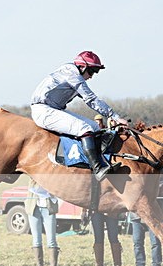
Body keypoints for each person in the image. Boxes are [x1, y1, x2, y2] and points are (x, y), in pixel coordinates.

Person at [30, 51, 129, 181]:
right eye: (92, 71)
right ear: (82, 67)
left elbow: (91, 100)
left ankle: (102, 161)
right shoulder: (73, 75)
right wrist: (115, 116)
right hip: (43, 110)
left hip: (53, 109)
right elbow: (91, 99)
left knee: (95, 127)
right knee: (84, 128)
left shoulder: (73, 73)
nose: (91, 76)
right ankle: (97, 169)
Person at [27, 180, 60, 266]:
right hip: (33, 208)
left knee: (51, 240)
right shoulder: (33, 177)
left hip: (48, 208)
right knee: (36, 239)